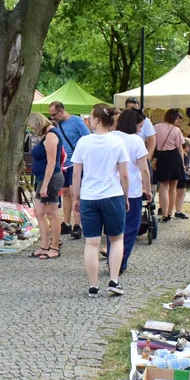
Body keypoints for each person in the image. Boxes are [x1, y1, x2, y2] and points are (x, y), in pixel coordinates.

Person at [71, 104, 129, 296]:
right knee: (116, 239)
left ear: (96, 120)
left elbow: (76, 174)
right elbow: (124, 174)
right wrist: (126, 196)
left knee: (92, 242)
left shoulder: (83, 143)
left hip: (89, 196)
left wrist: (76, 197)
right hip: (113, 194)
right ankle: (114, 279)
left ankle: (93, 285)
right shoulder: (117, 142)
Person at [111, 109, 152, 275]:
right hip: (132, 190)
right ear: (133, 124)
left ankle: (112, 259)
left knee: (114, 228)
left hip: (111, 189)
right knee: (131, 228)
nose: (141, 129)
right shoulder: (136, 141)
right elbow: (144, 169)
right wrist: (147, 189)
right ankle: (121, 261)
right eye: (140, 125)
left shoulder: (111, 137)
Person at [49, 101, 92, 240]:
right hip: (64, 164)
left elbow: (87, 140)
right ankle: (66, 222)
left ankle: (77, 225)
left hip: (76, 163)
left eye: (53, 115)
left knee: (75, 194)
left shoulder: (77, 122)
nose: (52, 118)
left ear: (61, 111)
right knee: (65, 193)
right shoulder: (58, 124)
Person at [27, 112, 63, 259]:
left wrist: (45, 185)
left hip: (50, 179)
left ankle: (54, 247)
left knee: (52, 214)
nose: (32, 130)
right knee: (40, 212)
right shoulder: (47, 135)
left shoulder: (51, 136)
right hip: (43, 178)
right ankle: (44, 245)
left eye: (32, 126)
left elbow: (52, 162)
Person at [152, 109, 185, 222]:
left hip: (162, 156)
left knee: (163, 186)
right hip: (174, 156)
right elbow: (180, 148)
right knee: (173, 187)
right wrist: (183, 163)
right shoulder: (176, 130)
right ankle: (170, 213)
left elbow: (153, 143)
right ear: (174, 118)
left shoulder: (156, 127)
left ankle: (164, 214)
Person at [175, 137, 190, 220]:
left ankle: (178, 210)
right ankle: (178, 211)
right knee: (181, 193)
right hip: (182, 175)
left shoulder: (179, 154)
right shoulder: (184, 156)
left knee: (180, 193)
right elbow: (185, 167)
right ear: (185, 146)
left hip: (178, 174)